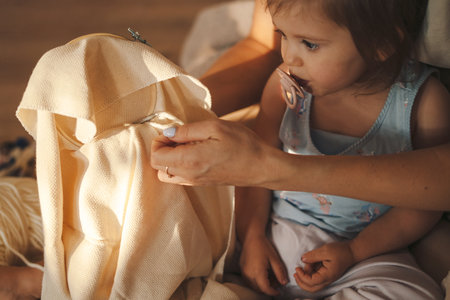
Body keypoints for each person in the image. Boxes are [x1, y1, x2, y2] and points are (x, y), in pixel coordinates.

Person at [153, 0, 449, 298]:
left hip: (364, 255)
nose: (289, 57)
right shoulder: (285, 87)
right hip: (270, 239)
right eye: (282, 35)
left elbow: (423, 204)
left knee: (408, 291)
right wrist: (253, 236)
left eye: (309, 44)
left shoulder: (422, 104)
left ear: (380, 45)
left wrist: (355, 251)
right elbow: (251, 173)